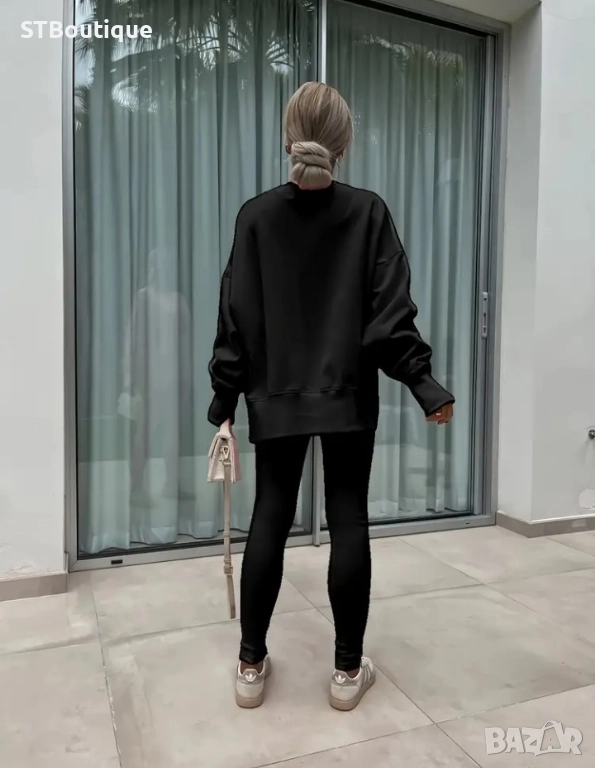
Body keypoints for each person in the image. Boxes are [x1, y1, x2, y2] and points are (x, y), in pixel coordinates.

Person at [208, 82, 454, 711]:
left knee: (269, 515)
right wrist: (424, 384)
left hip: (275, 396)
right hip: (348, 397)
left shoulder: (256, 216)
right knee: (348, 519)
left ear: (288, 137)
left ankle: (250, 667)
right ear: (344, 143)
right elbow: (390, 319)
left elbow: (237, 320)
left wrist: (224, 403)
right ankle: (347, 674)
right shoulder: (368, 213)